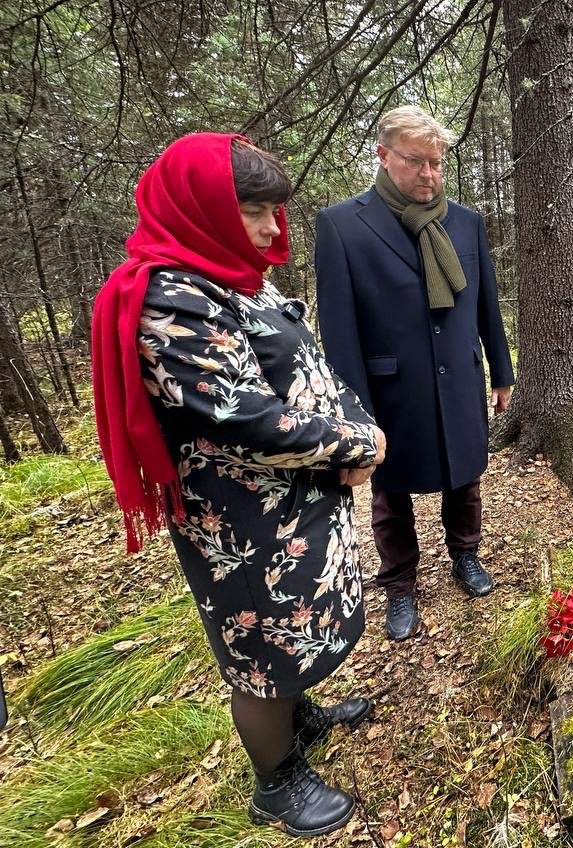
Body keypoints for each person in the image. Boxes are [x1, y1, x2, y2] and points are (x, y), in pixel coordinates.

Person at [91, 134, 386, 837]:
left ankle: (297, 717)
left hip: (297, 502)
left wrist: (357, 420)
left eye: (273, 210)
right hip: (244, 525)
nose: (270, 227)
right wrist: (357, 442)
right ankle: (275, 785)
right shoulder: (170, 298)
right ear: (201, 209)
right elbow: (242, 419)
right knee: (263, 652)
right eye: (254, 210)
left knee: (296, 633)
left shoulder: (234, 276)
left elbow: (308, 364)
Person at [315, 106, 515, 641]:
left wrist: (501, 369)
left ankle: (465, 555)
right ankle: (400, 584)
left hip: (459, 380)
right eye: (416, 162)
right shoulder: (342, 225)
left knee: (465, 474)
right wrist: (353, 411)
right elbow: (338, 329)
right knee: (390, 489)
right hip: (391, 390)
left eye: (438, 163)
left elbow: (485, 304)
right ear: (382, 155)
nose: (429, 174)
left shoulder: (466, 222)